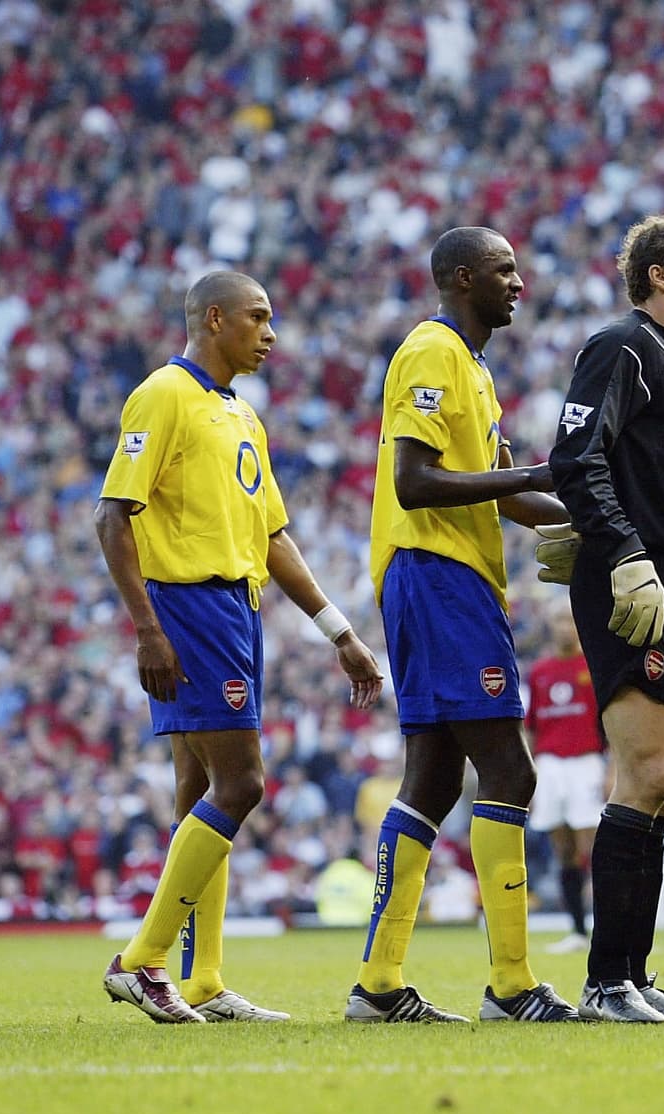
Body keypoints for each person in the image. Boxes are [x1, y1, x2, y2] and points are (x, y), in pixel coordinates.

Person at [95, 270, 384, 1024]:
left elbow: (273, 536)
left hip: (237, 607)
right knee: (242, 783)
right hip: (189, 606)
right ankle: (141, 960)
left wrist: (339, 631)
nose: (271, 333)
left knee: (199, 791)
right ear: (215, 319)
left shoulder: (242, 414)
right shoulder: (163, 394)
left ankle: (203, 979)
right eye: (258, 317)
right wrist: (148, 628)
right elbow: (112, 516)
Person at [343, 226, 579, 1024]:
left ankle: (378, 983)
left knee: (436, 779)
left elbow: (505, 491)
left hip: (444, 577)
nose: (519, 282)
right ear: (461, 277)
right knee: (509, 770)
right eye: (504, 269)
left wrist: (591, 517)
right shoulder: (431, 351)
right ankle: (512, 984)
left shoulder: (473, 368)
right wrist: (538, 472)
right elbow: (414, 481)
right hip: (438, 574)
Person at [544, 214, 664, 1023]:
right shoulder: (621, 345)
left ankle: (635, 974)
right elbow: (574, 454)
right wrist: (619, 549)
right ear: (658, 274)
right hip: (634, 572)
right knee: (644, 773)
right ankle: (605, 980)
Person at [525, 600, 606, 954]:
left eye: (570, 621)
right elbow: (531, 727)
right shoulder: (540, 671)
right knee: (564, 851)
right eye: (559, 620)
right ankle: (577, 930)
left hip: (586, 761)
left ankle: (609, 933)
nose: (564, 627)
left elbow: (608, 723)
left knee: (594, 848)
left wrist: (612, 768)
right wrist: (529, 775)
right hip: (550, 766)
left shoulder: (593, 665)